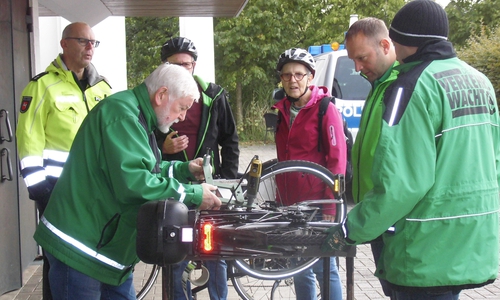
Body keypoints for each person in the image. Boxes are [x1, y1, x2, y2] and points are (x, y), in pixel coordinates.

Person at [322, 1, 500, 299]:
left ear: (399, 42)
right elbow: (494, 161)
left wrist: (351, 229)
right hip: (471, 239)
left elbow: (402, 184)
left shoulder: (411, 86)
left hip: (424, 244)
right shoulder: (479, 81)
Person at [33, 63, 222, 300]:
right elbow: (135, 184)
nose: (182, 116)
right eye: (181, 108)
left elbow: (145, 168)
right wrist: (193, 194)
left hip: (106, 250)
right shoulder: (122, 116)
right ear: (162, 95)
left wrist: (184, 170)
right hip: (81, 248)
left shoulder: (137, 116)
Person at [16, 22, 112, 300]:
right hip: (56, 189)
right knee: (58, 258)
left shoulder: (103, 88)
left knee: (91, 254)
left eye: (93, 42)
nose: (90, 47)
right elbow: (28, 140)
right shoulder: (42, 86)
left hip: (97, 191)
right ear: (64, 44)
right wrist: (40, 190)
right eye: (83, 41)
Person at [157, 37, 239, 300]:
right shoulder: (156, 98)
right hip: (172, 183)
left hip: (210, 182)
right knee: (175, 250)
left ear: (194, 65)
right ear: (163, 68)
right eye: (175, 65)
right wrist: (163, 148)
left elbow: (230, 140)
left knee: (215, 251)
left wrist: (227, 181)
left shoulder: (214, 95)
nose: (182, 70)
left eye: (187, 64)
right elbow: (143, 143)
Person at [273, 48, 346, 300]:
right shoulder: (281, 110)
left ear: (310, 77)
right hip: (290, 202)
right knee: (298, 264)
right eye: (287, 75)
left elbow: (337, 160)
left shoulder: (326, 108)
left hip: (317, 200)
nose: (292, 80)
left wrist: (330, 205)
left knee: (325, 265)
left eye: (299, 74)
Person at [344, 17, 398, 299]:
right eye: (353, 60)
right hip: (377, 213)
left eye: (362, 58)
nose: (357, 68)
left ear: (386, 45)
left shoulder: (401, 86)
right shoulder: (379, 85)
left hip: (394, 216)